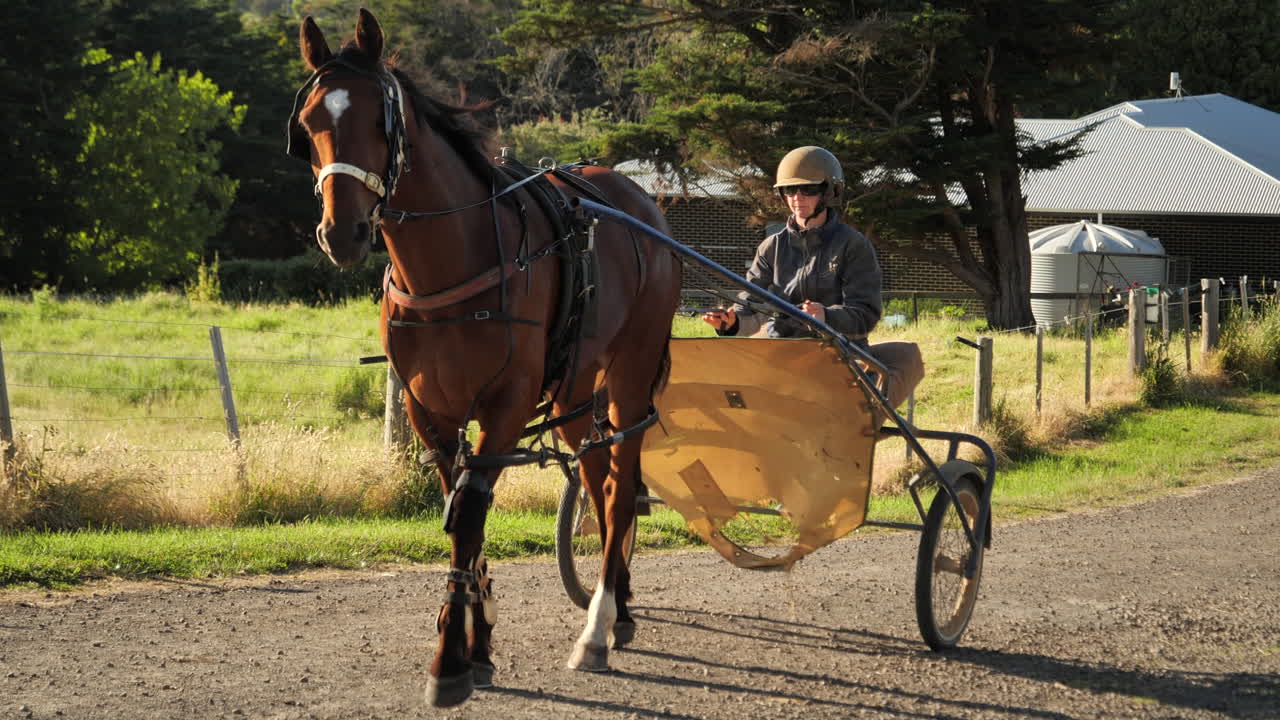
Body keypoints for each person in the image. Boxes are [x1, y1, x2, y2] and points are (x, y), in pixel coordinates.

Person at [702, 145, 923, 413]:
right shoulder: (771, 247)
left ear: (830, 192)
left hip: (838, 356)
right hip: (781, 354)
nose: (797, 198)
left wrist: (826, 317)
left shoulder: (853, 245)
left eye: (808, 189)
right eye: (789, 190)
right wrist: (732, 322)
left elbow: (866, 314)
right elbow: (751, 304)